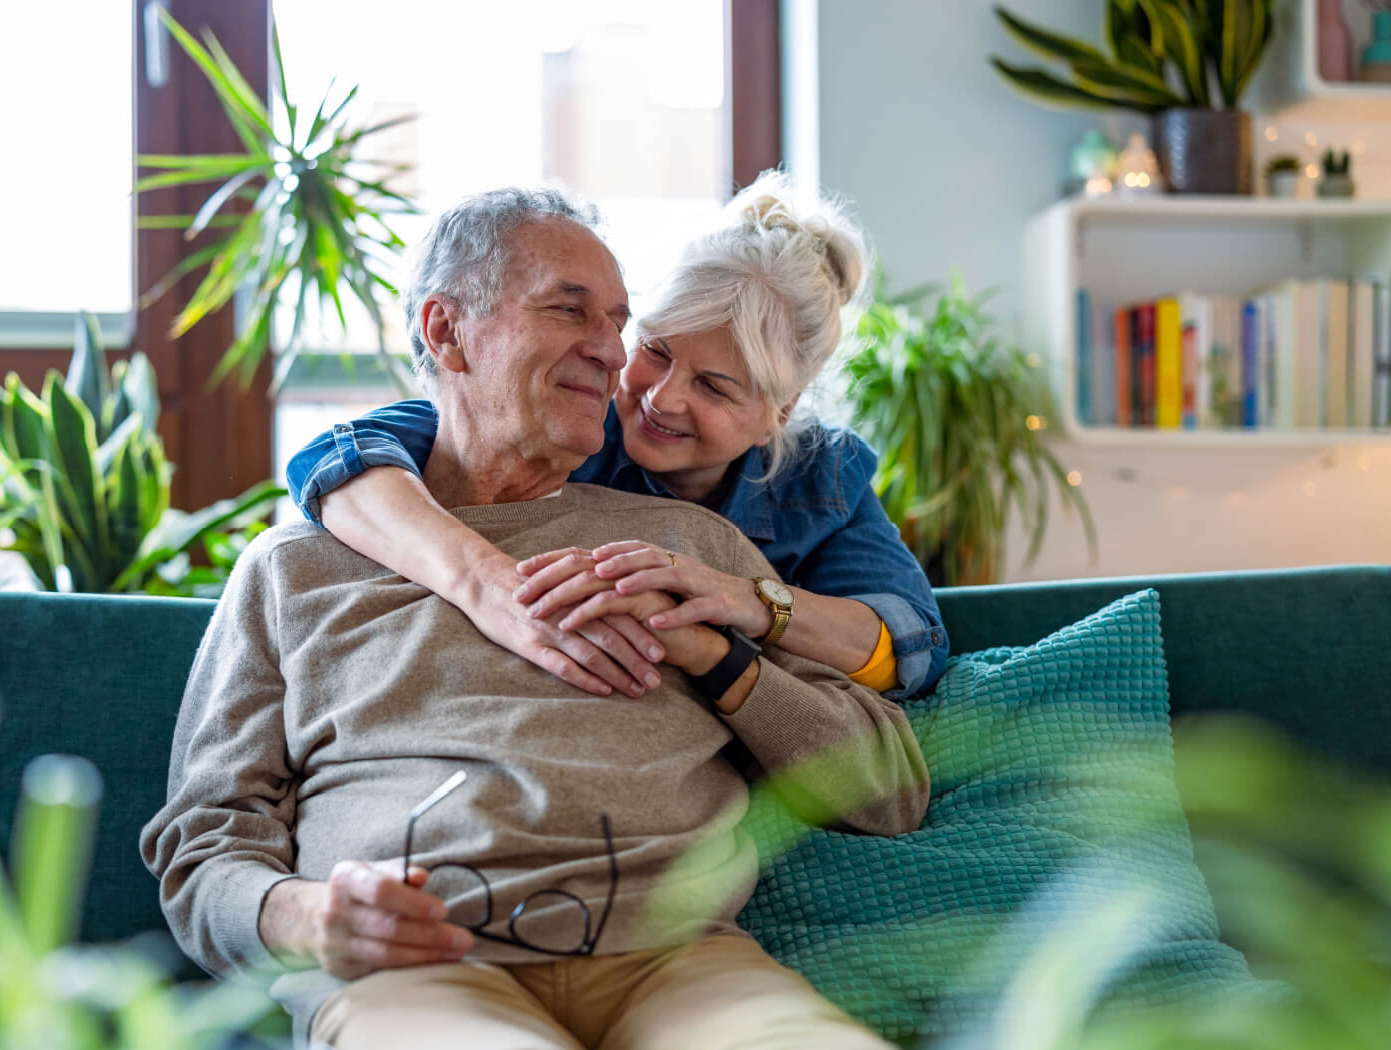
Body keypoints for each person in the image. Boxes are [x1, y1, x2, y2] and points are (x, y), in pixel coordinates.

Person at [142, 187, 928, 1050]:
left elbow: (890, 782)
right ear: (446, 333)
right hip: (418, 971)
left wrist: (721, 656)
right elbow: (203, 844)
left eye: (618, 320)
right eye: (571, 311)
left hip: (680, 961)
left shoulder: (689, 549)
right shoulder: (299, 565)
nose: (613, 354)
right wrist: (307, 917)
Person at [285, 171, 948, 710]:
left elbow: (910, 645)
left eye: (715, 387)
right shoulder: (572, 423)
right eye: (655, 352)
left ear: (780, 410)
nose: (662, 398)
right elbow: (337, 461)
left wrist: (749, 600)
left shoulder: (821, 477)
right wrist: (485, 583)